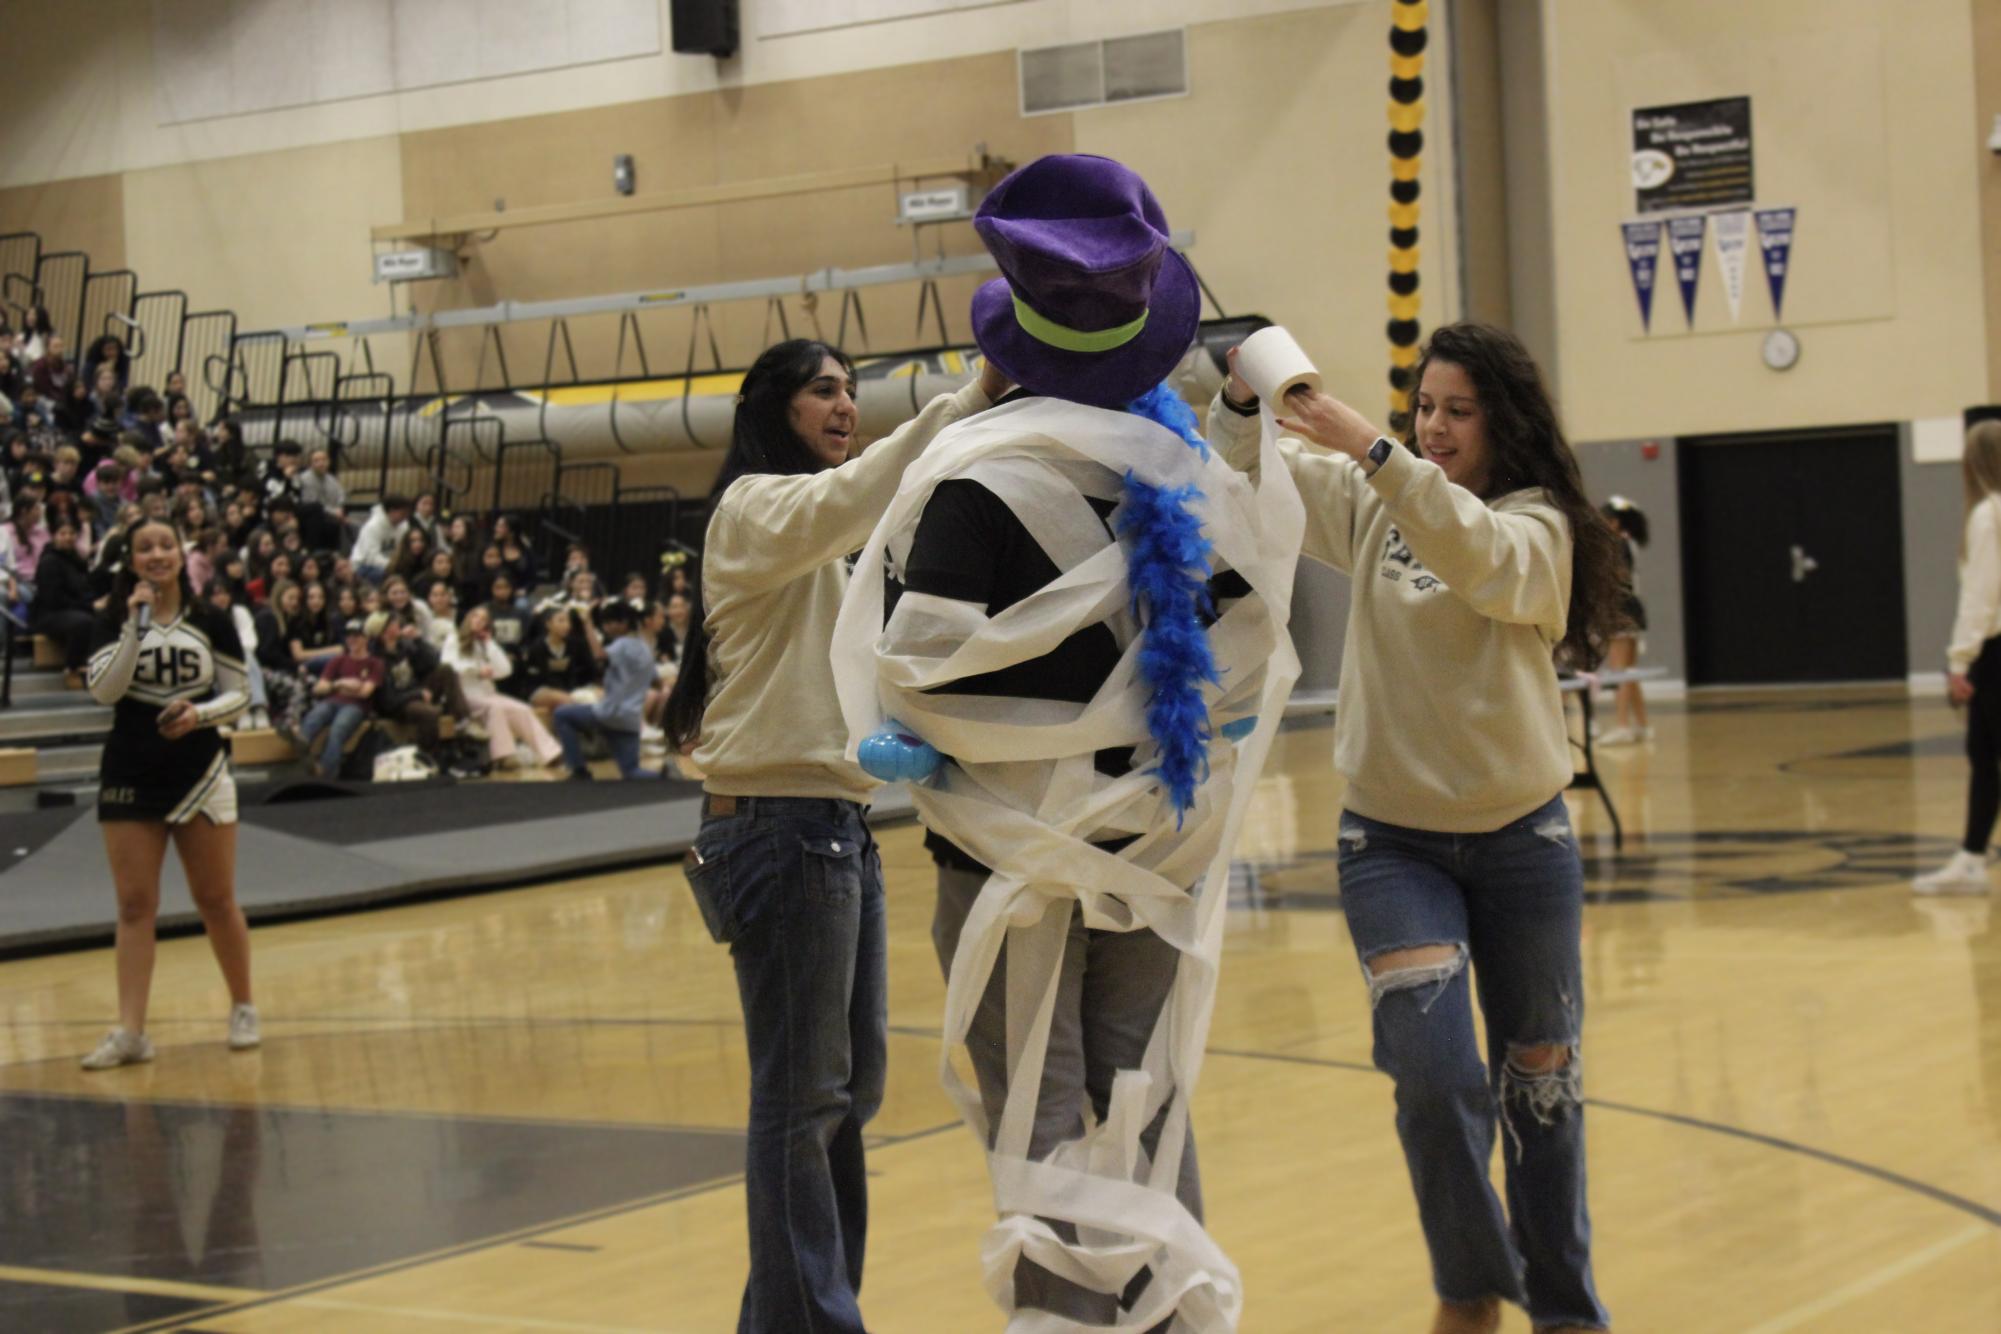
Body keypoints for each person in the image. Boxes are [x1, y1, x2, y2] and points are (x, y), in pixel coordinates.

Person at [1211, 322, 1619, 1333]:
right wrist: (1240, 403)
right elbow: (1246, 482)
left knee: (1542, 1087)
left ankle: (1566, 1309)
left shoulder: (1539, 525)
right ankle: (1471, 1284)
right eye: (1423, 407)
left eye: (1457, 410)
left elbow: (1478, 557)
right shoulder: (1373, 501)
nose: (1434, 427)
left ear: (1502, 422)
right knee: (1434, 1080)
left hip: (1523, 842)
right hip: (1391, 845)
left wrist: (1376, 450)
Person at [665, 338, 1002, 1334]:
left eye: (852, 389)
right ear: (775, 409)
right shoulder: (755, 509)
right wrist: (975, 390)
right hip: (774, 829)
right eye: (824, 391)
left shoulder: (830, 536)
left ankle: (794, 1313)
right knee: (804, 1095)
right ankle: (815, 1320)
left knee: (845, 1091)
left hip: (833, 827)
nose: (845, 403)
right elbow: (861, 491)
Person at [81, 516, 258, 1070]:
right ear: (129, 561)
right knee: (135, 905)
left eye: (165, 545)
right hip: (131, 771)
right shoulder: (111, 619)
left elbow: (240, 694)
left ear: (181, 555)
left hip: (201, 771)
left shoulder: (212, 619)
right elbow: (104, 691)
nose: (157, 554)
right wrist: (134, 625)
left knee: (215, 899)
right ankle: (132, 1032)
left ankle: (243, 1004)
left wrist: (199, 713)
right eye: (144, 548)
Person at [1916, 419, 2001, 895]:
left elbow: (1981, 598)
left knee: (1988, 756)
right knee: (1983, 755)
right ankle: (1971, 857)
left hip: (1994, 651)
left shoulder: (1988, 516)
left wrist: (1959, 662)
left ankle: (1970, 858)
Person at [443, 605, 563, 769]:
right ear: (468, 618)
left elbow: (505, 670)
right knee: (495, 709)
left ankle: (551, 753)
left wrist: (490, 643)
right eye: (475, 616)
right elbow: (448, 667)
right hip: (464, 696)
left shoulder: (485, 644)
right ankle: (504, 756)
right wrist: (476, 671)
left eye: (484, 619)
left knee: (522, 709)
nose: (479, 621)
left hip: (488, 694)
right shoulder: (453, 639)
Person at [552, 600, 655, 781]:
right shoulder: (645, 647)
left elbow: (599, 655)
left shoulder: (623, 643)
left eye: (609, 622)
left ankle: (578, 769)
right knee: (631, 771)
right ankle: (663, 775)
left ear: (623, 623)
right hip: (631, 718)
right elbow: (656, 680)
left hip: (610, 713)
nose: (606, 627)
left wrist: (587, 623)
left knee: (562, 714)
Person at [371, 609, 471, 756]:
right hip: (399, 703)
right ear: (383, 630)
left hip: (415, 691)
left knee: (446, 670)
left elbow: (433, 663)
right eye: (393, 623)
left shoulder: (404, 646)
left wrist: (418, 639)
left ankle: (462, 721)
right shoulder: (376, 659)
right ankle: (427, 755)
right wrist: (417, 694)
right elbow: (388, 700)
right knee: (431, 712)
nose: (398, 624)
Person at [294, 618, 383, 778]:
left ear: (366, 638)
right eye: (349, 636)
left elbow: (365, 692)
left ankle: (326, 772)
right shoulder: (338, 660)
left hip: (356, 706)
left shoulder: (374, 663)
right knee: (314, 718)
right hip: (332, 701)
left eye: (357, 635)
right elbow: (319, 688)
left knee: (338, 729)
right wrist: (341, 683)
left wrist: (338, 687)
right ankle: (304, 758)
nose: (352, 640)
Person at [1595, 497, 1650, 746]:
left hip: (1620, 610)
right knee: (1630, 672)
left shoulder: (1616, 545)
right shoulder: (1628, 542)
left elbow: (1616, 579)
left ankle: (1622, 726)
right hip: (1631, 610)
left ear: (1614, 522)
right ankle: (1642, 725)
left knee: (1620, 672)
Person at [31, 517, 99, 687]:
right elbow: (53, 599)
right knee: (83, 622)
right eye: (63, 533)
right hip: (49, 614)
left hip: (71, 608)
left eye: (71, 533)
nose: (68, 537)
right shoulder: (49, 562)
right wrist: (89, 606)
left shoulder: (76, 560)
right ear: (54, 536)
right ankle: (72, 669)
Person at [349, 495, 411, 583]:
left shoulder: (404, 526)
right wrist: (392, 566)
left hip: (392, 564)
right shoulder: (372, 527)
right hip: (364, 566)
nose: (406, 517)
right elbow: (371, 557)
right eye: (403, 513)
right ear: (392, 511)